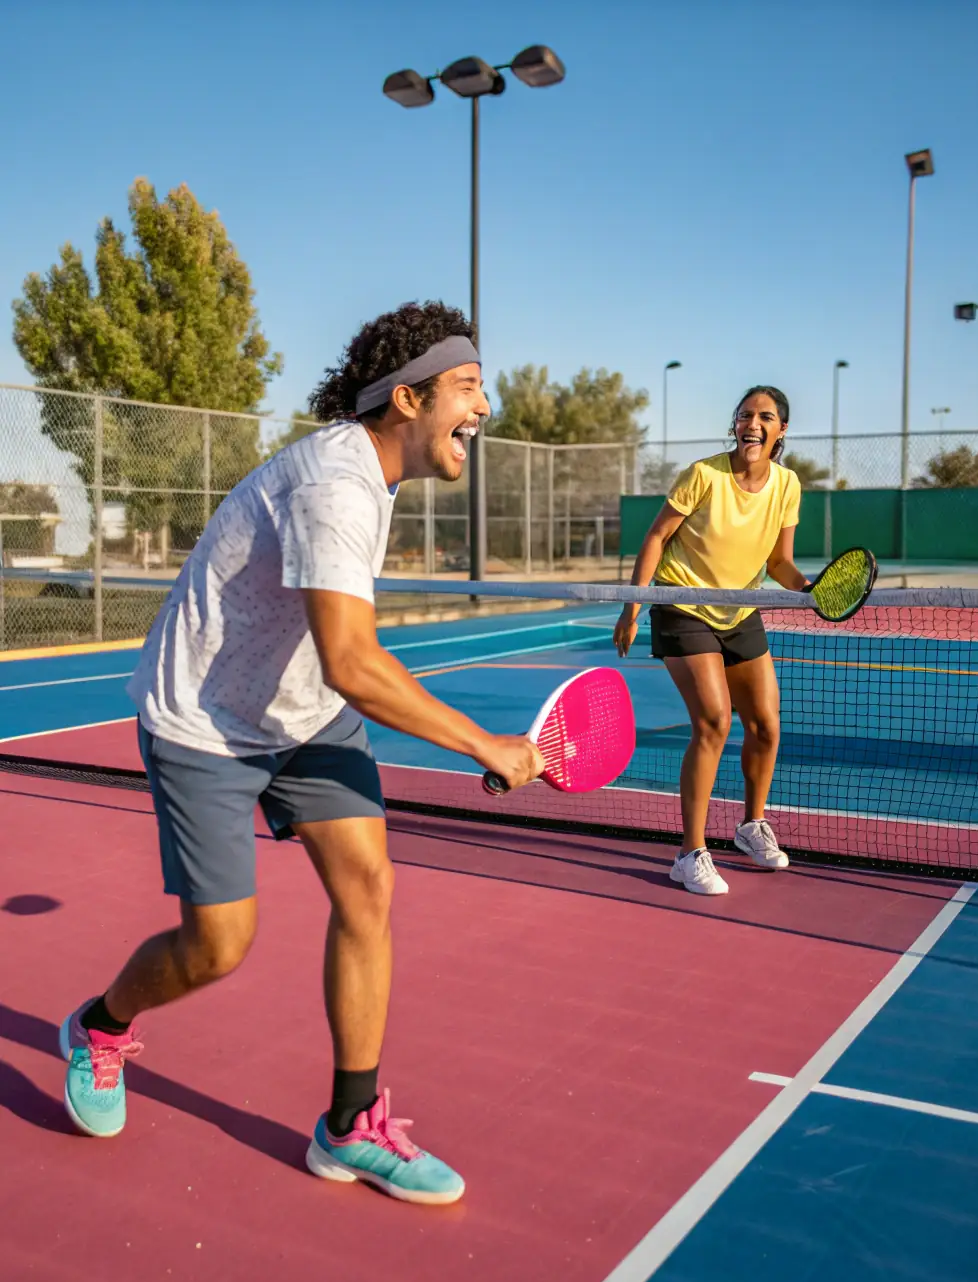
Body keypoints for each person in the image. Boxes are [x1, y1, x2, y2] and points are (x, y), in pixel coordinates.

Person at [59, 301, 543, 1206]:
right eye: (469, 387)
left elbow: (336, 670)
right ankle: (99, 1026)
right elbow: (355, 662)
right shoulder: (336, 484)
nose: (486, 405)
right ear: (407, 399)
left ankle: (350, 1128)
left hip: (305, 714)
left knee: (369, 886)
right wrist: (485, 744)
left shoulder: (375, 473)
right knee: (218, 945)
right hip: (204, 715)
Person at [613, 386, 810, 896]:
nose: (753, 423)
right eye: (745, 415)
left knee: (766, 725)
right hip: (682, 602)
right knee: (714, 721)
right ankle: (690, 853)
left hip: (739, 607)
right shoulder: (703, 475)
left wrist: (810, 589)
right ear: (735, 425)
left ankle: (750, 826)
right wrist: (632, 607)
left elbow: (778, 563)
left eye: (765, 416)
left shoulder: (788, 486)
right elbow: (656, 536)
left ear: (780, 430)